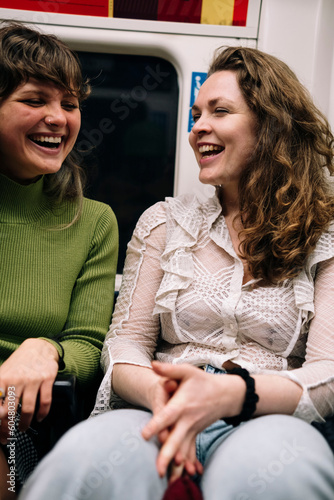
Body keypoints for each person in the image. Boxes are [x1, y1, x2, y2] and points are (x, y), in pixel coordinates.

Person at [20, 46, 334, 500]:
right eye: (195, 114)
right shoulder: (165, 223)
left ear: (271, 125)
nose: (197, 128)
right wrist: (164, 397)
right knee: (81, 461)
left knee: (272, 476)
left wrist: (233, 395)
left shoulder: (325, 233)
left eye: (219, 111)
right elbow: (125, 344)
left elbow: (327, 373)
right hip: (156, 407)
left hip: (268, 416)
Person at [0, 22, 118, 499]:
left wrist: (45, 349)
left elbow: (89, 347)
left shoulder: (93, 222)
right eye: (35, 100)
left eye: (69, 105)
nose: (59, 118)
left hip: (15, 423)